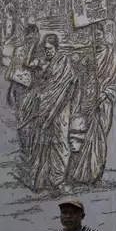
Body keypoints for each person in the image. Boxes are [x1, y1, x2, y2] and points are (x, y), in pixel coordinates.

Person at [19, 33, 78, 191]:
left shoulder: (64, 62)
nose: (48, 51)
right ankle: (42, 179)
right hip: (44, 108)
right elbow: (26, 64)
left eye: (50, 49)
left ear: (56, 48)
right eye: (45, 49)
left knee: (60, 143)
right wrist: (32, 47)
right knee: (43, 143)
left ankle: (58, 179)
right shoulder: (43, 63)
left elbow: (72, 81)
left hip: (61, 109)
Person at [71, 20, 116, 184]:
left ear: (104, 36)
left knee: (99, 138)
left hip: (103, 103)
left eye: (99, 35)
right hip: (89, 100)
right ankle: (84, 173)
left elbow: (114, 79)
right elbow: (81, 76)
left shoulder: (110, 55)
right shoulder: (89, 55)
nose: (97, 38)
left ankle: (96, 173)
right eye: (94, 36)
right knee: (85, 136)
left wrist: (105, 93)